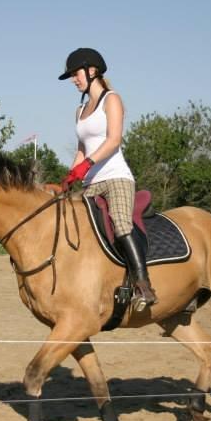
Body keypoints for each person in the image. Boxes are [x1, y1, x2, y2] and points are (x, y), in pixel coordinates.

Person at [59, 47, 157, 310]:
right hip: (91, 183)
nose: (73, 79)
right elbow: (82, 149)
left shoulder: (111, 100)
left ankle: (143, 285)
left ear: (92, 71)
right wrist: (70, 176)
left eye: (75, 73)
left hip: (116, 178)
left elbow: (114, 140)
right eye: (71, 75)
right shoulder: (79, 110)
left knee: (121, 224)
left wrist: (89, 162)